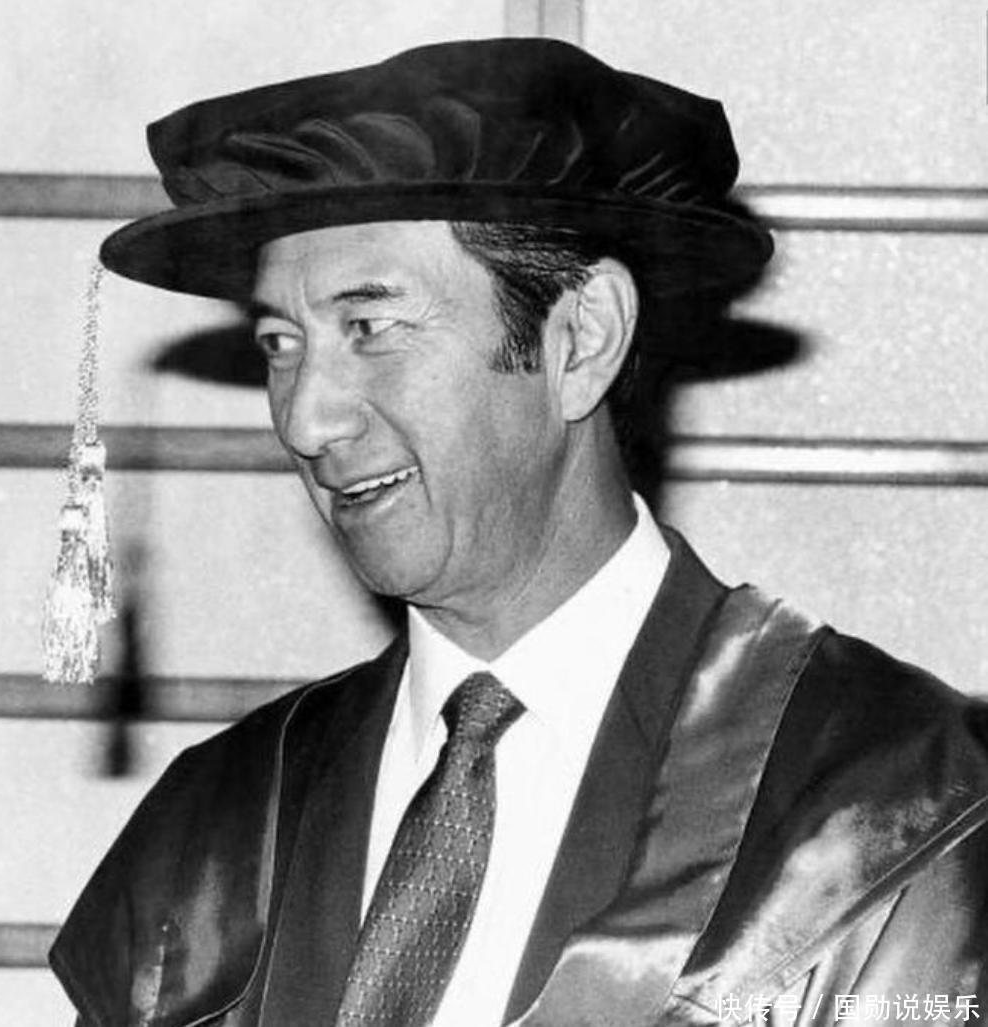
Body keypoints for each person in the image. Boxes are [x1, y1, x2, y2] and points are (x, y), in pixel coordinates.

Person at [50, 37, 988, 1027]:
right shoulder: (214, 831)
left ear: (580, 340)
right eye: (281, 344)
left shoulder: (892, 813)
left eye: (371, 328)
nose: (306, 419)